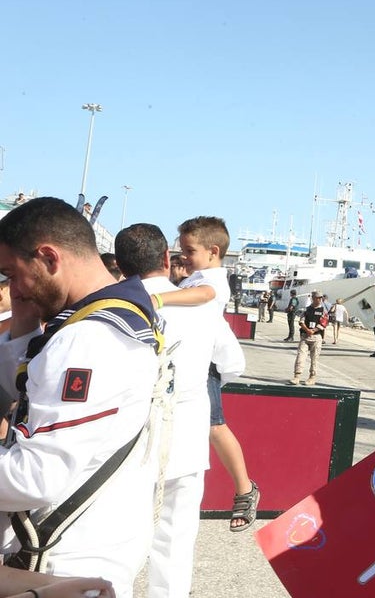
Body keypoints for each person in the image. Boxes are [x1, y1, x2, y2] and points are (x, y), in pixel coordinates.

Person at [0, 197, 164, 595]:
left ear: (49, 257)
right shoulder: (114, 315)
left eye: (12, 274)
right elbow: (33, 389)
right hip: (90, 548)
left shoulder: (87, 338)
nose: (13, 289)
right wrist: (23, 325)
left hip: (59, 563)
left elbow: (37, 478)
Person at [115, 223, 216, 598]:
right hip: (187, 433)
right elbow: (230, 362)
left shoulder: (114, 305)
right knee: (175, 537)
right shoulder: (204, 306)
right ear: (165, 258)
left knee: (119, 535)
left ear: (121, 266)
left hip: (131, 436)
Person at [163, 216, 259, 534]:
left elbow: (204, 295)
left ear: (213, 251)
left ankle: (245, 490)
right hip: (191, 359)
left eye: (189, 251)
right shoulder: (196, 276)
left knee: (215, 428)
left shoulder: (214, 281)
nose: (184, 257)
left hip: (207, 365)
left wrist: (158, 297)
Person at [290, 292, 325, 385]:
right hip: (305, 336)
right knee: (300, 356)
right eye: (317, 298)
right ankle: (297, 376)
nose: (319, 299)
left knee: (314, 358)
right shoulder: (306, 309)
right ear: (313, 298)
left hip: (316, 336)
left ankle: (312, 377)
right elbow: (301, 321)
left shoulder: (323, 310)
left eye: (320, 298)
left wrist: (313, 330)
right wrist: (307, 330)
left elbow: (324, 323)